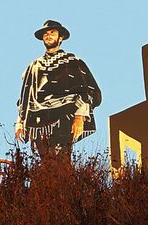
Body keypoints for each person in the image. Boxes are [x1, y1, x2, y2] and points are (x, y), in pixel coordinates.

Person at [15, 20, 102, 157]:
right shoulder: (34, 66)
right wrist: (20, 122)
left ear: (60, 38)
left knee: (61, 159)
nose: (48, 35)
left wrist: (80, 115)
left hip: (63, 116)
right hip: (37, 119)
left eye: (52, 32)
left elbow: (87, 90)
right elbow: (25, 95)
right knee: (45, 161)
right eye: (45, 33)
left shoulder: (72, 61)